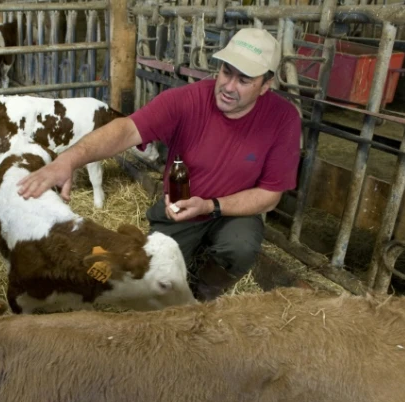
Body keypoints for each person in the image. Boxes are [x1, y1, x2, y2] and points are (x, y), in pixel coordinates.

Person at [17, 28, 301, 301]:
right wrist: (68, 159)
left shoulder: (283, 119)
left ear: (265, 86)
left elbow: (269, 196)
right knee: (150, 277)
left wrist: (210, 206)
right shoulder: (188, 100)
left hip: (234, 209)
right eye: (226, 72)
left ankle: (204, 294)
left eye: (244, 80)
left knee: (240, 246)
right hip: (181, 205)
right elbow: (126, 129)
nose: (228, 86)